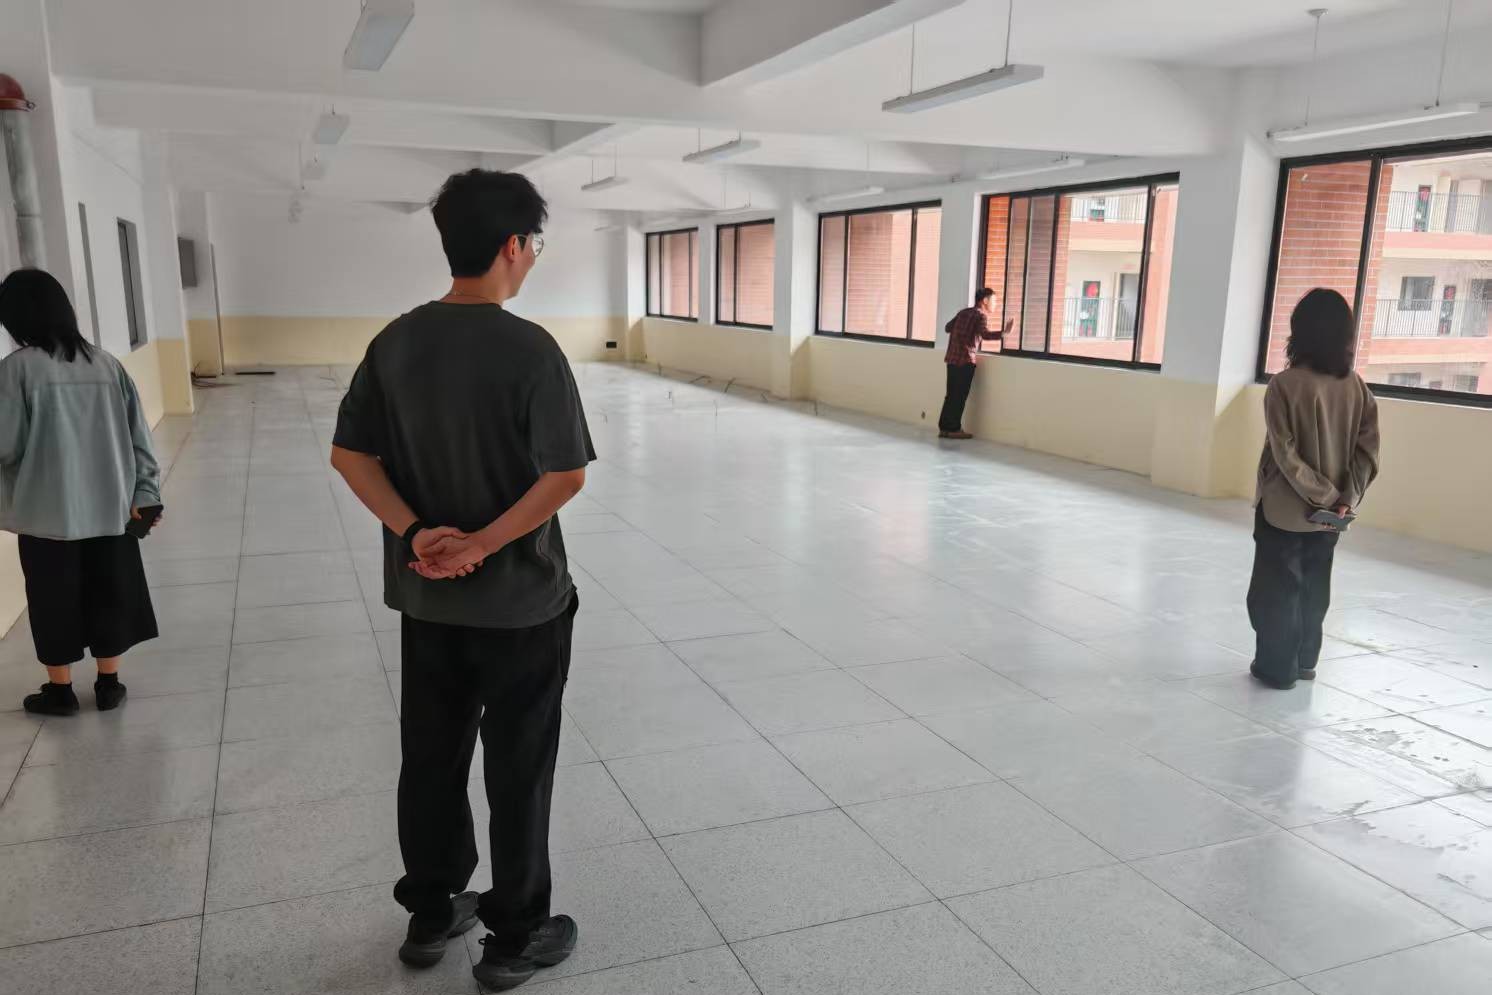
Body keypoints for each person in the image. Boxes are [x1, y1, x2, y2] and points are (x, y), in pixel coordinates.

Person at [330, 169, 594, 992]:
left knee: (432, 756)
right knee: (519, 766)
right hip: (521, 606)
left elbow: (349, 454)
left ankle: (433, 909)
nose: (533, 255)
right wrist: (481, 542)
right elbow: (565, 475)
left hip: (428, 599)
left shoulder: (396, 341)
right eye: (534, 242)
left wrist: (417, 532)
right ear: (513, 245)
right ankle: (516, 934)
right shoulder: (532, 349)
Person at [0, 268, 161, 715]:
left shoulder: (17, 370)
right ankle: (109, 684)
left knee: (52, 600)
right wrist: (146, 494)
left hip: (48, 515)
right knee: (110, 592)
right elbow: (139, 439)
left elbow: (6, 445)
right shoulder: (107, 364)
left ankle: (61, 691)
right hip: (113, 510)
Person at [1249, 288, 1379, 690]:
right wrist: (1344, 499)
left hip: (1284, 510)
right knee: (1314, 587)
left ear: (1299, 331)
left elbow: (1285, 454)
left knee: (1275, 591)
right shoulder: (1356, 387)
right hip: (1331, 519)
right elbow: (1368, 452)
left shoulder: (1283, 385)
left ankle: (1277, 669)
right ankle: (1306, 663)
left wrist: (1324, 496)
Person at [938, 287, 1011, 439]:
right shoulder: (980, 316)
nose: (995, 304)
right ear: (984, 301)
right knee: (960, 396)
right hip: (965, 360)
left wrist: (960, 332)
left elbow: (947, 328)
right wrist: (1004, 333)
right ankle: (954, 429)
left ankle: (944, 428)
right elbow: (985, 334)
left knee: (951, 395)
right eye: (993, 301)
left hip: (952, 359)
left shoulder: (963, 312)